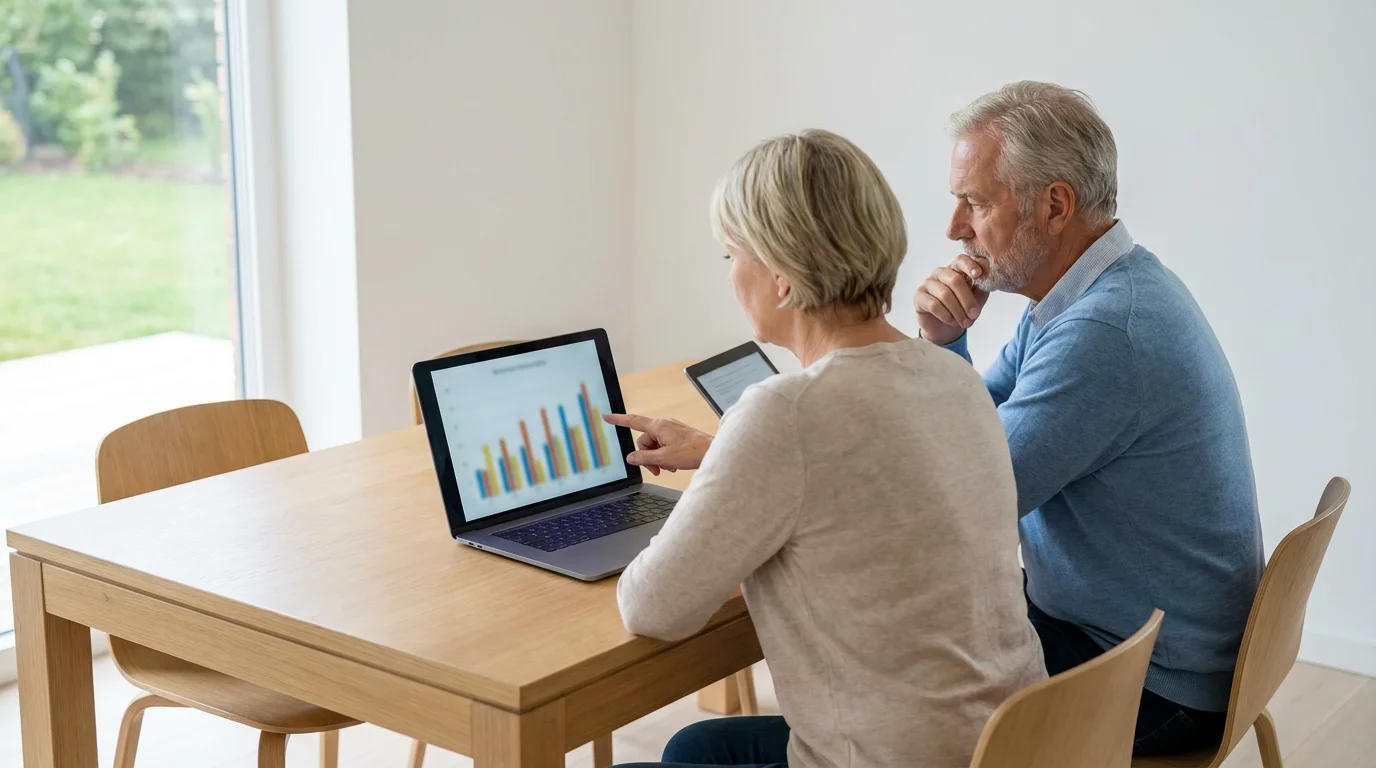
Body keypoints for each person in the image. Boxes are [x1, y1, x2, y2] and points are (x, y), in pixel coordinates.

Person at [607, 129, 1045, 768]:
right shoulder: (953, 376)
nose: (730, 277)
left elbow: (651, 608)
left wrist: (730, 463)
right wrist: (730, 453)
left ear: (781, 277)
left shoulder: (783, 413)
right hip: (1009, 743)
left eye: (732, 256)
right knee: (695, 746)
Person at [914, 81, 1264, 756]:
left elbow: (971, 499)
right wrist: (947, 343)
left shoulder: (1105, 331)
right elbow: (977, 436)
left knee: (890, 655)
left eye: (975, 202)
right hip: (1143, 640)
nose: (956, 228)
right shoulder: (1095, 292)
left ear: (1053, 205)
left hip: (1148, 680)